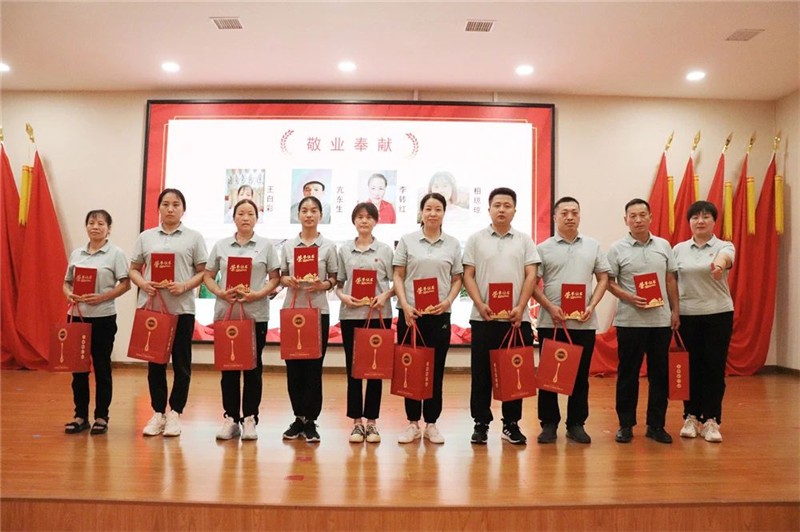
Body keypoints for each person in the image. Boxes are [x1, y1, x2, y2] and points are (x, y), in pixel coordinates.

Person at [462, 187, 539, 445]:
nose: (502, 209)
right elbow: (468, 275)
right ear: (489, 209)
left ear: (515, 210)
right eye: (497, 205)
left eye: (507, 205)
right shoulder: (476, 239)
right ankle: (481, 423)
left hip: (516, 319)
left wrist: (521, 306)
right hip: (483, 318)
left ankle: (511, 424)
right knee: (481, 374)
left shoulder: (524, 240)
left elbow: (531, 274)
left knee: (514, 373)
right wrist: (480, 303)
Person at [130, 188, 208, 437]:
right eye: (165, 204)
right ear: (159, 208)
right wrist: (143, 284)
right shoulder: (146, 237)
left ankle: (175, 413)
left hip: (181, 309)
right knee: (155, 364)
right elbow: (133, 269)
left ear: (183, 209)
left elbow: (203, 273)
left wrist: (184, 286)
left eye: (176, 204)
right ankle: (157, 412)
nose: (170, 209)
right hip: (153, 310)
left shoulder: (194, 238)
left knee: (182, 364)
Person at [532, 196, 610, 444]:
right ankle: (549, 424)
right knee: (549, 375)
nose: (569, 217)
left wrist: (592, 305)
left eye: (574, 213)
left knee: (580, 376)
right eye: (564, 213)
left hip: (583, 322)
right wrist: (549, 307)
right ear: (555, 217)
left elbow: (604, 278)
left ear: (579, 216)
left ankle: (576, 424)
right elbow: (531, 284)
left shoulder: (593, 246)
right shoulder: (543, 248)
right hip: (551, 322)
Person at [204, 199, 281, 441]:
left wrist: (258, 294)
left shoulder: (266, 246)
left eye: (250, 214)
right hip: (227, 314)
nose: (245, 217)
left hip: (255, 314)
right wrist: (220, 292)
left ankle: (250, 418)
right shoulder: (221, 245)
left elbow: (275, 278)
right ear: (233, 217)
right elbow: (208, 275)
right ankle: (230, 418)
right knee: (228, 368)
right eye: (240, 213)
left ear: (256, 218)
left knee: (252, 368)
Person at [607, 198, 679, 444]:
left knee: (660, 375)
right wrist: (628, 296)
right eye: (632, 216)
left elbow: (670, 279)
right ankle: (625, 425)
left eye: (642, 215)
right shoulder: (617, 248)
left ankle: (656, 425)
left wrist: (675, 311)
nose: (638, 220)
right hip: (629, 321)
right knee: (628, 374)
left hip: (660, 322)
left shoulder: (664, 245)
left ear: (650, 217)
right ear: (625, 220)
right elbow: (609, 282)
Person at [393, 192, 463, 444]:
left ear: (444, 213)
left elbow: (457, 279)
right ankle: (412, 423)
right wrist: (404, 305)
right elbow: (398, 275)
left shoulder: (453, 244)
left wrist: (447, 302)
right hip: (411, 315)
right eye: (428, 209)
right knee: (410, 369)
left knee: (436, 370)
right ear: (421, 212)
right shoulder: (407, 240)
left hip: (439, 315)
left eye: (438, 209)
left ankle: (431, 423)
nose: (433, 213)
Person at [62, 209, 131, 435]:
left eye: (101, 223)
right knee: (78, 370)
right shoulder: (77, 253)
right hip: (77, 316)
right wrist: (69, 294)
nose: (95, 227)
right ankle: (80, 415)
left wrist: (102, 297)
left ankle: (102, 416)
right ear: (86, 227)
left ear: (109, 229)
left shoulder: (116, 254)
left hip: (103, 317)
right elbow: (66, 283)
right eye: (91, 222)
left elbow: (125, 284)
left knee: (102, 368)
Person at [674, 201, 734, 443]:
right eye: (695, 217)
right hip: (687, 315)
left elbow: (725, 259)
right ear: (689, 221)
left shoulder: (724, 246)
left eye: (706, 217)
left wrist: (718, 267)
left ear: (714, 221)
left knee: (713, 368)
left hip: (718, 314)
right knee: (690, 368)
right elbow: (671, 280)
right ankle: (690, 416)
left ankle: (711, 420)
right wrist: (674, 312)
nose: (700, 221)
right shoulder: (678, 249)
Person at [280, 195, 338, 442]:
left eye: (314, 210)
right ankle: (298, 418)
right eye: (304, 210)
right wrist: (288, 280)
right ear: (298, 215)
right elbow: (281, 276)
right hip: (293, 312)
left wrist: (322, 285)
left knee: (314, 368)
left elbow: (334, 278)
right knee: (294, 367)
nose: (309, 214)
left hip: (317, 313)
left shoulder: (328, 247)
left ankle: (311, 420)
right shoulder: (288, 246)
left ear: (320, 215)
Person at [336, 202, 395, 443]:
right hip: (351, 316)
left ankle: (372, 422)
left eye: (369, 217)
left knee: (375, 370)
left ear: (375, 221)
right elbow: (339, 284)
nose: (364, 221)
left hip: (379, 316)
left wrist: (384, 296)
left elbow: (396, 283)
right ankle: (356, 422)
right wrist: (343, 297)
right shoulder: (344, 250)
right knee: (353, 370)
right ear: (354, 221)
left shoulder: (385, 250)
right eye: (359, 217)